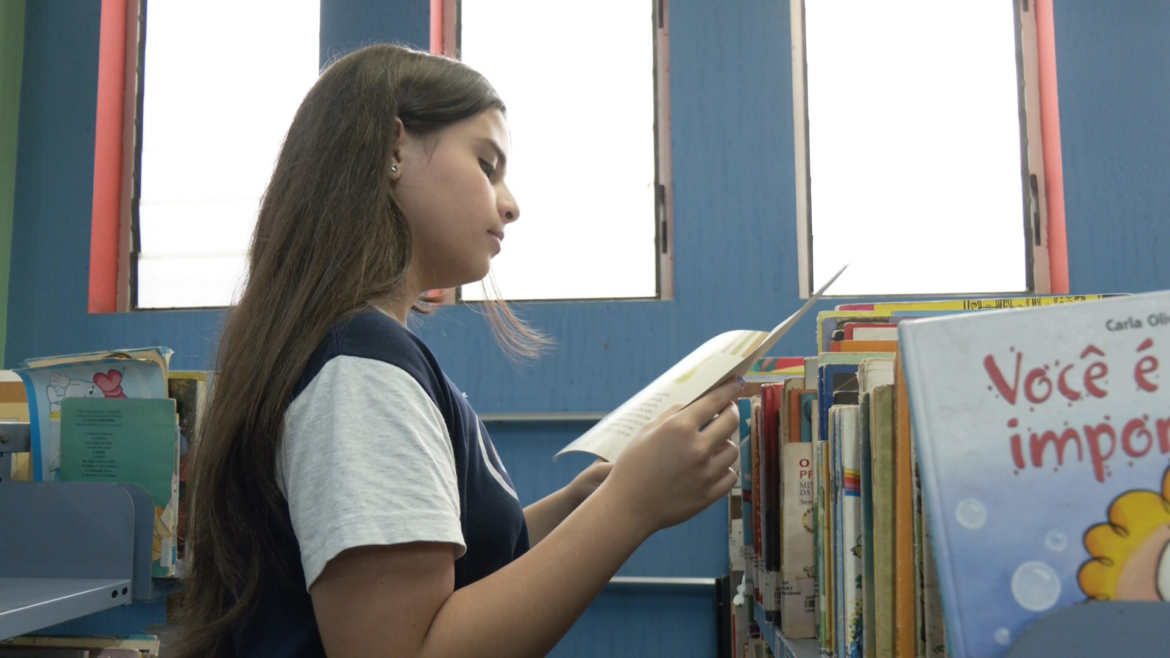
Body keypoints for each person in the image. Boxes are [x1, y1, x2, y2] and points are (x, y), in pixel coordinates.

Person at [176, 43, 743, 657]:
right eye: (486, 163)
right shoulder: (360, 371)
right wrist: (631, 507)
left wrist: (589, 500)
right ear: (393, 150)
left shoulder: (362, 350)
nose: (511, 203)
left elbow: (443, 563)